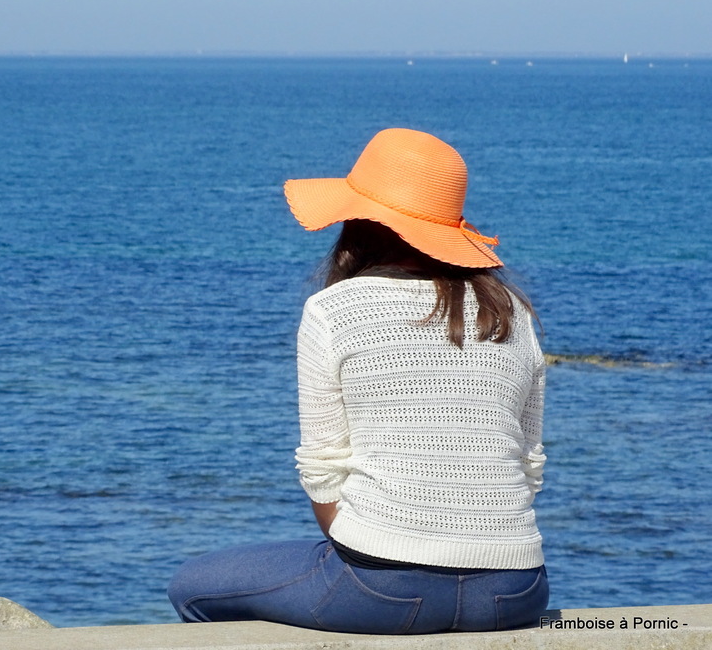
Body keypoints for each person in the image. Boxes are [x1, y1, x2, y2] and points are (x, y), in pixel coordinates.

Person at [168, 128, 548, 634]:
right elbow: (528, 465)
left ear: (358, 223)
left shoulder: (333, 309)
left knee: (191, 587)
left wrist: (369, 550)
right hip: (516, 589)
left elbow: (323, 469)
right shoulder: (512, 312)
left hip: (383, 588)